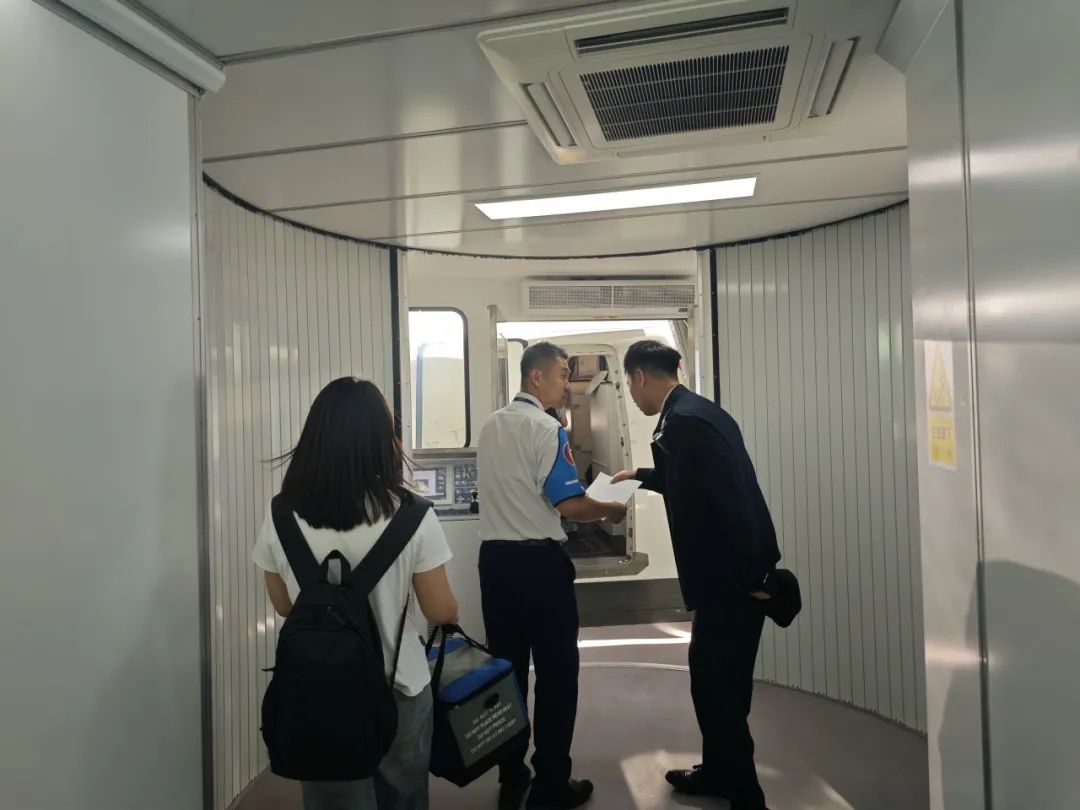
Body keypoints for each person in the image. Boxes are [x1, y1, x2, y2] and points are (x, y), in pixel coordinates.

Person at [253, 377, 459, 810]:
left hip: (318, 690)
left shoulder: (281, 514)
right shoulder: (413, 515)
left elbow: (285, 605)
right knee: (402, 797)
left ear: (314, 438)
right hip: (399, 687)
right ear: (383, 441)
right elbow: (440, 610)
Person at [611, 340, 781, 810]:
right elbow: (693, 481)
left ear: (640, 377)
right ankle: (720, 771)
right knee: (721, 685)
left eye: (629, 384)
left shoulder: (683, 423)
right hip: (727, 579)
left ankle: (746, 796)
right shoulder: (698, 412)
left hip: (731, 582)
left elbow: (734, 501)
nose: (632, 395)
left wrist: (755, 579)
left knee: (716, 691)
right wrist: (640, 475)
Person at [478, 342, 627, 810]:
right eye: (563, 374)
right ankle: (551, 784)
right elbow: (569, 504)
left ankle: (511, 772)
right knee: (557, 674)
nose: (566, 384)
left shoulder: (491, 425)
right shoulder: (547, 428)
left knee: (507, 669)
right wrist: (610, 510)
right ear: (536, 377)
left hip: (495, 563)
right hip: (539, 567)